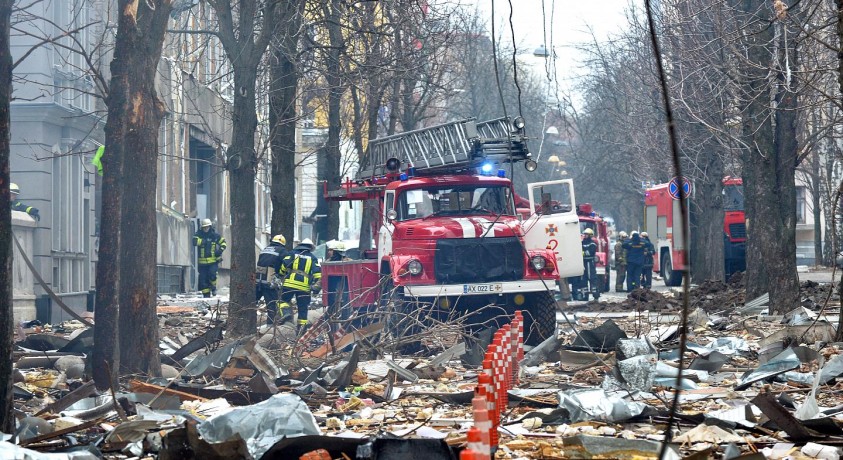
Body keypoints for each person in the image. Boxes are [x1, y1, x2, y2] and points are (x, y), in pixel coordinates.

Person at [278, 238, 322, 334]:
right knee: (303, 309)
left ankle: (286, 313)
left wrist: (280, 274)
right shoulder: (313, 257)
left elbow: (284, 265)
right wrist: (315, 285)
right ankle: (301, 332)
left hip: (289, 283)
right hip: (304, 287)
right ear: (310, 247)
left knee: (283, 300)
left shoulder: (292, 253)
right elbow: (318, 274)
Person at [256, 234, 287, 325]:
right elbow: (287, 264)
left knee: (252, 303)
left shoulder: (265, 249)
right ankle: (270, 327)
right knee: (272, 305)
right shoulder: (282, 251)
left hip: (258, 281)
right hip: (270, 282)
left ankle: (247, 323)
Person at [193, 218, 227, 298]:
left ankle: (213, 287)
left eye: (207, 227)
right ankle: (206, 296)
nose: (206, 229)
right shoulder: (199, 234)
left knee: (212, 275)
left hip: (213, 261)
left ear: (210, 227)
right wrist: (204, 241)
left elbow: (223, 243)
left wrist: (220, 250)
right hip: (202, 263)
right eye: (204, 227)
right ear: (202, 227)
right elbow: (194, 241)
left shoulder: (214, 236)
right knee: (203, 280)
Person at [578, 228, 599, 300]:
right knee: (583, 279)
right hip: (583, 263)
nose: (585, 236)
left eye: (586, 234)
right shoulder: (581, 243)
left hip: (590, 263)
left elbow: (590, 253)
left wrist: (583, 253)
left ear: (590, 235)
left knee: (592, 278)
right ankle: (584, 295)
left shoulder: (593, 243)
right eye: (584, 234)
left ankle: (595, 295)